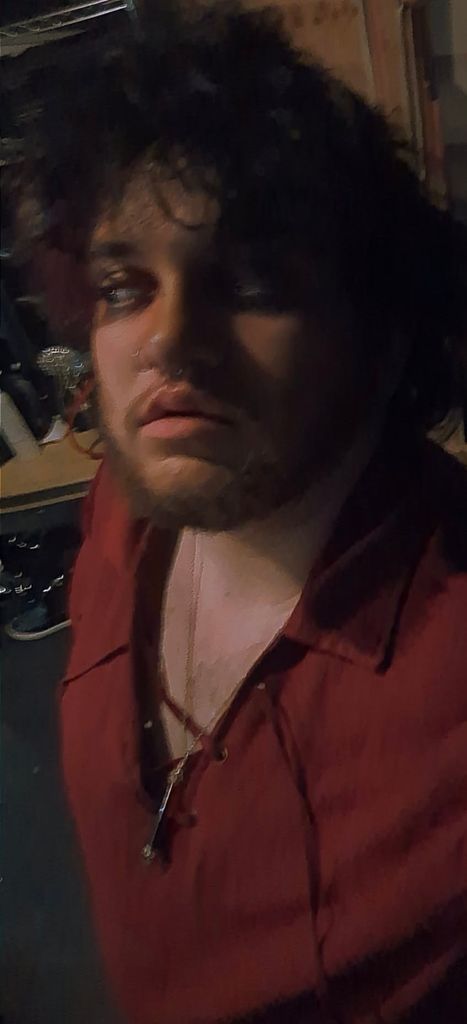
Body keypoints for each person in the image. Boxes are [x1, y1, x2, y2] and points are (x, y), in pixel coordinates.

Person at [14, 4, 467, 1022]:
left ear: (383, 331)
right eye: (123, 285)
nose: (166, 340)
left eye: (252, 281)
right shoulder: (122, 513)